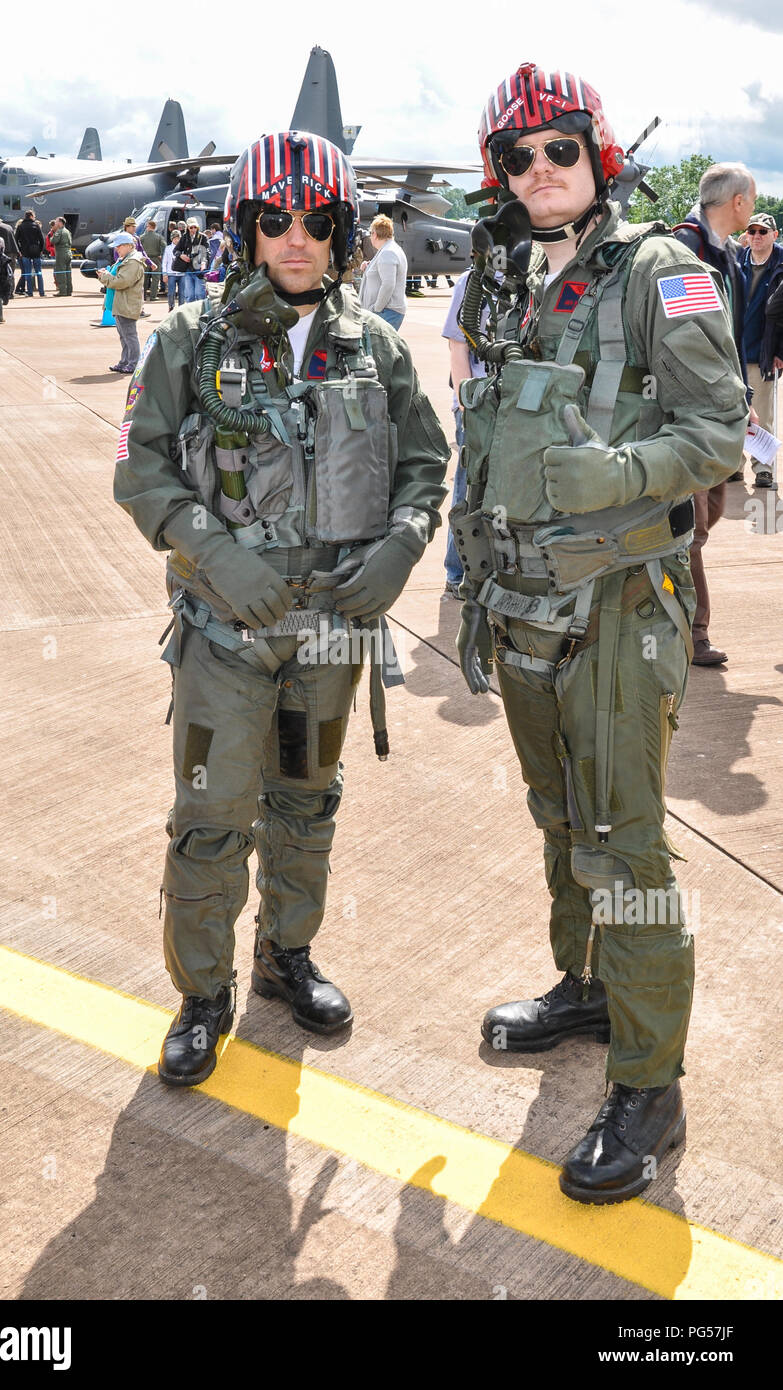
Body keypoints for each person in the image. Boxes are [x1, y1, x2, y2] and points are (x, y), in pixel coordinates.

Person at [456, 63, 746, 1205]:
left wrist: (624, 471)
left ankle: (647, 1084)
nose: (539, 172)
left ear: (598, 155)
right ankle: (583, 987)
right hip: (525, 603)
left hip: (621, 606)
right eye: (517, 158)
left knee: (622, 840)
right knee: (558, 814)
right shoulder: (506, 279)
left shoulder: (660, 271)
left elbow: (719, 431)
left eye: (558, 151)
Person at [113, 130, 449, 1087]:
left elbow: (424, 466)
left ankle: (284, 958)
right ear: (246, 230)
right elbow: (140, 472)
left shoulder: (375, 347)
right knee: (212, 815)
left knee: (306, 802)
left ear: (340, 231)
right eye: (274, 221)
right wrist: (216, 558)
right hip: (226, 637)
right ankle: (202, 992)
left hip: (332, 635)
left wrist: (400, 546)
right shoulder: (187, 342)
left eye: (314, 222)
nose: (293, 238)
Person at [672, 163, 756, 665]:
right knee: (694, 528)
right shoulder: (684, 250)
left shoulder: (726, 254)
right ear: (739, 201)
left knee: (712, 513)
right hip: (690, 414)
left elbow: (726, 341)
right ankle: (693, 631)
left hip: (723, 409)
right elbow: (685, 339)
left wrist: (742, 400)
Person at [441, 266, 489, 598]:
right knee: (467, 489)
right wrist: (464, 404)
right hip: (476, 403)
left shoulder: (533, 277)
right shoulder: (473, 281)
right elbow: (458, 348)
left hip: (518, 404)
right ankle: (457, 572)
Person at [737, 212, 783, 488]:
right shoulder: (736, 261)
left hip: (763, 353)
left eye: (763, 232)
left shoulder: (781, 266)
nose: (757, 236)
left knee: (761, 414)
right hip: (733, 351)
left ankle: (763, 468)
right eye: (752, 231)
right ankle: (734, 465)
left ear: (774, 235)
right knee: (732, 412)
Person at [97, 233, 145, 373]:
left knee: (129, 336)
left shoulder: (133, 262)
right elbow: (118, 278)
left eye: (119, 246)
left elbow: (122, 282)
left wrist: (105, 277)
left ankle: (133, 363)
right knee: (124, 336)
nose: (116, 249)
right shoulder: (126, 259)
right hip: (120, 304)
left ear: (128, 246)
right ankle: (125, 361)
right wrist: (106, 275)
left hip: (126, 304)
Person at [359, 215, 408, 329]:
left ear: (375, 234)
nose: (370, 236)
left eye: (371, 233)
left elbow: (388, 284)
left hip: (385, 312)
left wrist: (376, 309)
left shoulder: (387, 252)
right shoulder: (388, 250)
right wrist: (369, 266)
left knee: (375, 347)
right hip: (386, 312)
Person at [15, 210, 46, 297]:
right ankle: (41, 292)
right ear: (31, 216)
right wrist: (40, 250)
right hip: (36, 251)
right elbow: (41, 239)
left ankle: (30, 292)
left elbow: (16, 239)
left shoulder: (20, 226)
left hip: (25, 252)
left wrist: (19, 251)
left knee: (27, 272)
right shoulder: (36, 225)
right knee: (39, 272)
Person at [140, 218, 165, 301]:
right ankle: (153, 296)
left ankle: (143, 296)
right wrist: (161, 254)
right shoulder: (158, 237)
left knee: (144, 277)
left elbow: (138, 247)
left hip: (145, 259)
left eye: (147, 226)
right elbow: (164, 246)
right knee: (155, 278)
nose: (146, 227)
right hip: (156, 258)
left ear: (149, 227)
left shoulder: (142, 237)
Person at [51, 218, 73, 295]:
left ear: (60, 222)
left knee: (61, 272)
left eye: (56, 221)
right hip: (69, 253)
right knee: (68, 272)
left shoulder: (59, 231)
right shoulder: (67, 231)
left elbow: (53, 241)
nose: (55, 223)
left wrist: (52, 236)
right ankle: (69, 290)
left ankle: (62, 291)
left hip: (61, 253)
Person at [162, 229, 182, 310]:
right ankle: (171, 306)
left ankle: (181, 308)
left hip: (182, 274)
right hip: (171, 274)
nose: (177, 240)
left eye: (178, 238)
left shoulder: (183, 248)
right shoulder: (168, 248)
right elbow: (164, 262)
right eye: (175, 238)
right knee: (171, 292)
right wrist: (164, 273)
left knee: (182, 293)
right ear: (172, 239)